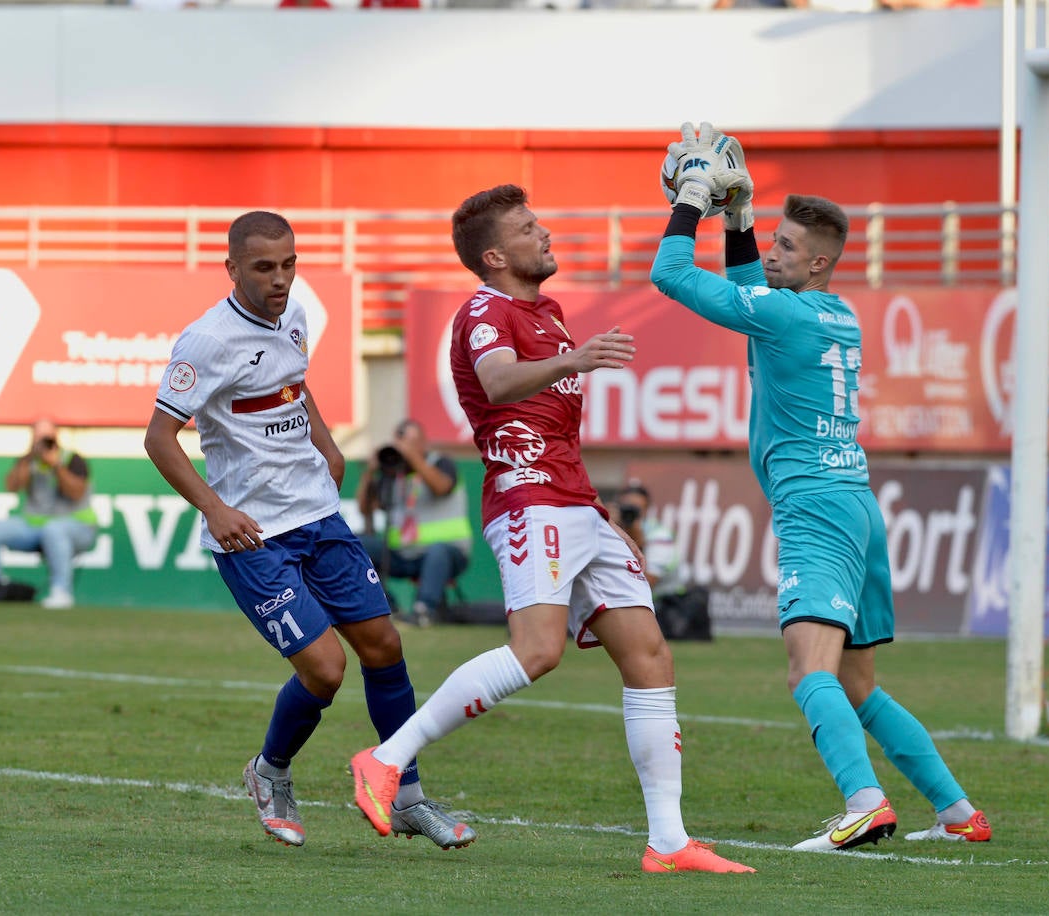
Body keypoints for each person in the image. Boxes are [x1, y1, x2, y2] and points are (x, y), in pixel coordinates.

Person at [348, 185, 754, 875]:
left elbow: (556, 429)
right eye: (529, 228)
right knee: (537, 652)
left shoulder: (551, 312)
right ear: (496, 254)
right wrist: (575, 360)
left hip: (572, 502)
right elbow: (501, 384)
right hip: (528, 501)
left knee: (650, 656)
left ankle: (668, 841)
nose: (545, 234)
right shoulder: (484, 310)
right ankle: (384, 759)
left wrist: (598, 514)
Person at [650, 123, 990, 850]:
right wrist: (737, 221)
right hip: (857, 504)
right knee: (858, 683)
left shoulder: (784, 314)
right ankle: (958, 812)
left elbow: (670, 276)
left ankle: (864, 801)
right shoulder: (831, 312)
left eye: (787, 249)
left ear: (820, 263)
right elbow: (753, 299)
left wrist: (691, 200)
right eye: (771, 240)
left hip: (816, 510)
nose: (773, 253)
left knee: (808, 670)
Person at [144, 210, 473, 851]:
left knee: (383, 646)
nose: (280, 278)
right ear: (233, 267)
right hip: (254, 535)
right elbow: (160, 439)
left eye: (289, 264)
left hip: (318, 515)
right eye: (264, 267)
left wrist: (327, 445)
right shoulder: (205, 342)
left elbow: (294, 382)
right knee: (325, 670)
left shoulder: (293, 314)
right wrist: (214, 508)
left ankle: (405, 796)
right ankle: (269, 773)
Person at [0, 418, 98, 610]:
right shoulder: (29, 460)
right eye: (38, 437)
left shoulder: (72, 459)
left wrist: (55, 465)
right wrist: (30, 457)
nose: (43, 442)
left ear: (56, 436)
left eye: (47, 437)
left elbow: (76, 492)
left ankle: (61, 592)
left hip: (76, 527)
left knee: (53, 529)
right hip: (35, 528)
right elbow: (12, 486)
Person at [356, 417, 471, 627]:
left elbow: (441, 487)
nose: (403, 449)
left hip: (446, 553)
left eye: (410, 443)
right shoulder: (394, 474)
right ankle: (385, 606)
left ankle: (423, 611)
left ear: (423, 442)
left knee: (438, 551)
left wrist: (412, 456)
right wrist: (371, 471)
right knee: (356, 544)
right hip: (403, 554)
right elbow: (365, 509)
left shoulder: (442, 463)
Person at [611, 481, 710, 642]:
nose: (630, 514)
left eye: (636, 509)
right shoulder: (608, 531)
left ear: (648, 509)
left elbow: (644, 584)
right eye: (626, 508)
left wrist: (637, 540)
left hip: (661, 606)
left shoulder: (659, 537)